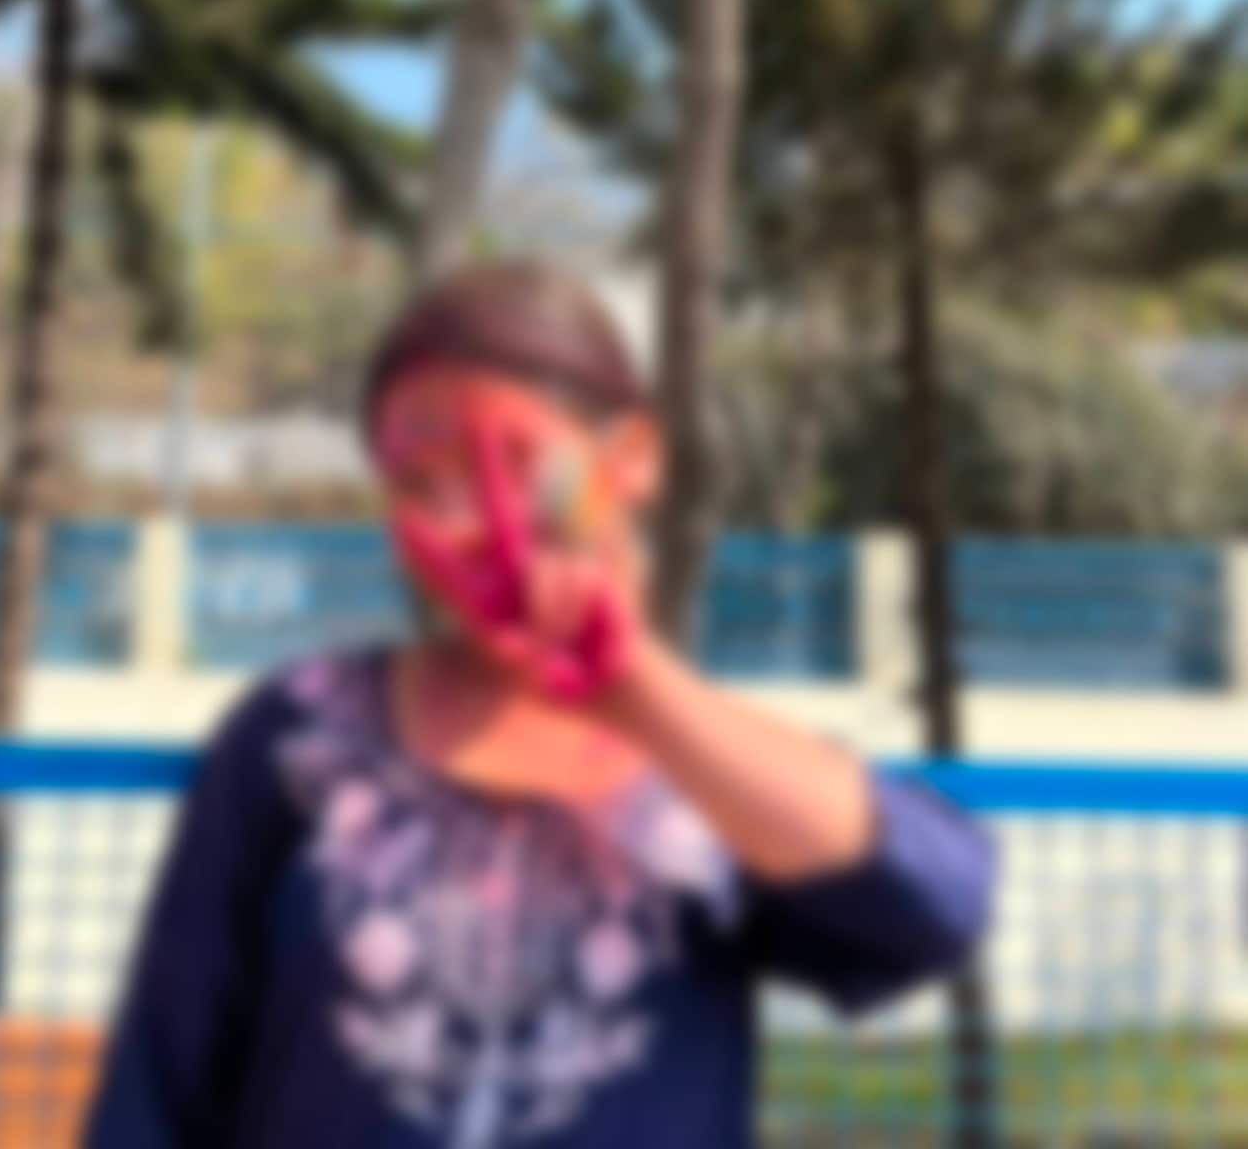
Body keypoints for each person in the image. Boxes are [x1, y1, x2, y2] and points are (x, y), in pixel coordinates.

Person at [86, 260, 995, 1149]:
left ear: (633, 457)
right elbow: (158, 1086)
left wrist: (634, 691)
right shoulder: (296, 737)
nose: (467, 522)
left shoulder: (716, 776)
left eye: (515, 463)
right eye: (421, 485)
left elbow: (936, 908)